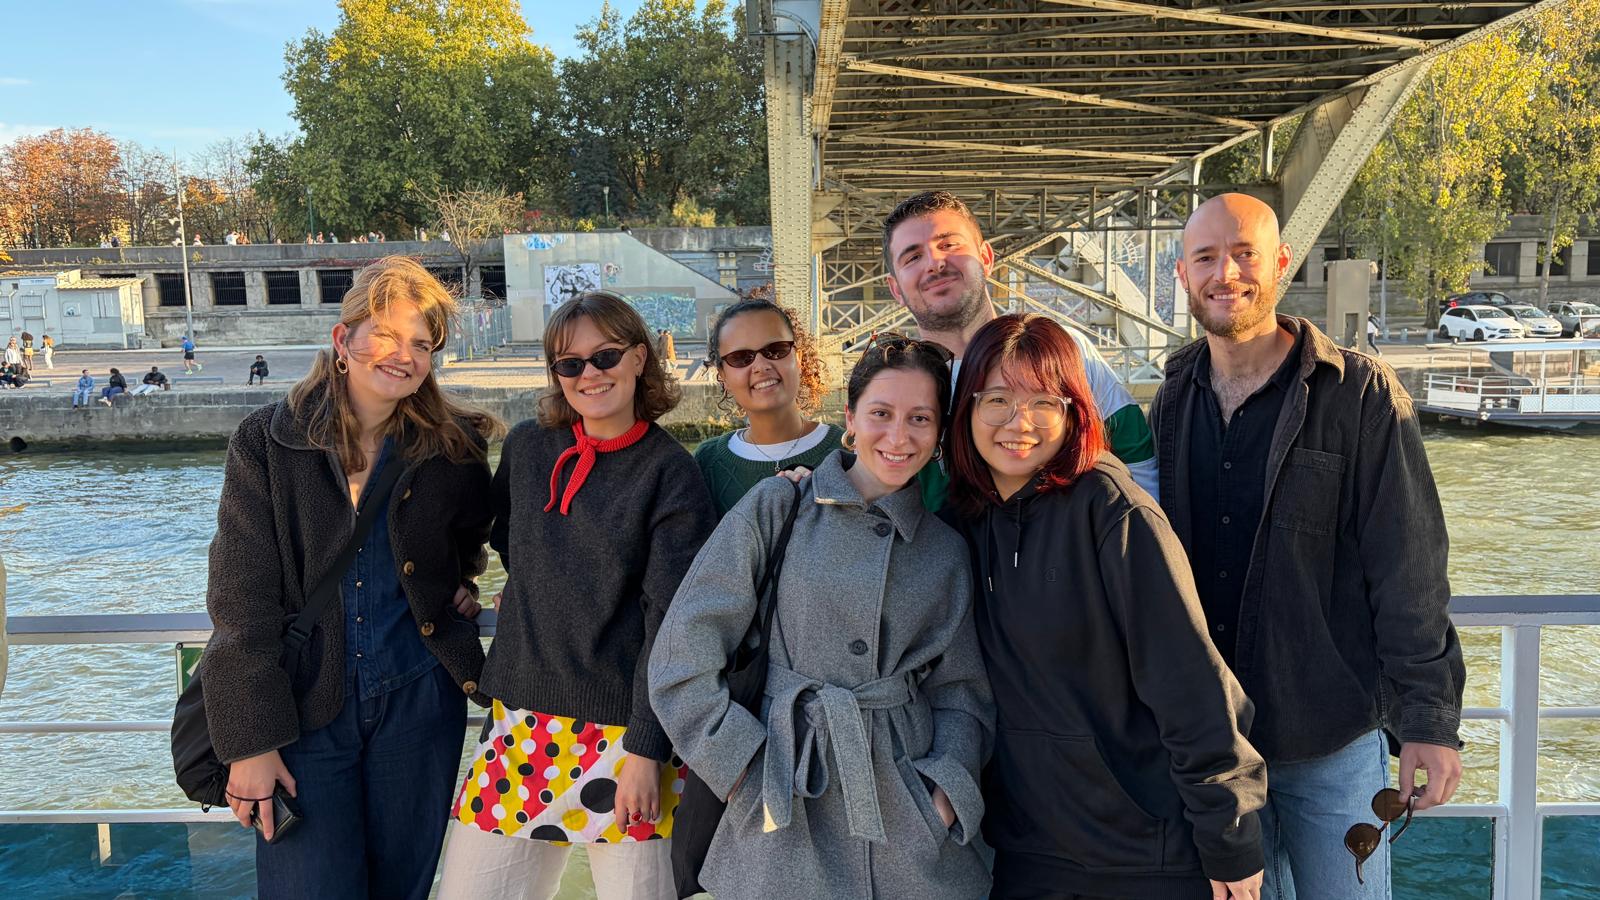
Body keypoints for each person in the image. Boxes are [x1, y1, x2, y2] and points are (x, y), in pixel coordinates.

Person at [1152, 193, 1463, 900]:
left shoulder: (1360, 396)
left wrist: (1429, 722)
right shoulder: (1172, 401)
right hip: (1213, 748)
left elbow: (1409, 569)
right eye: (1205, 257)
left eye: (1244, 254)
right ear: (1182, 274)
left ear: (1281, 265)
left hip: (1330, 737)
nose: (1224, 273)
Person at [199, 256, 502, 899]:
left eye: (421, 343)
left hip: (419, 701)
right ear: (345, 340)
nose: (405, 355)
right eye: (388, 335)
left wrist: (457, 581)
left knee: (403, 886)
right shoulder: (268, 444)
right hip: (302, 709)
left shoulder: (451, 446)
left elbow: (472, 531)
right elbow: (241, 598)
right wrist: (251, 744)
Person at [651, 335, 994, 899]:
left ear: (938, 435)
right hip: (783, 794)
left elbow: (961, 692)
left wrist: (944, 798)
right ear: (850, 418)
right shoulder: (778, 506)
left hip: (907, 817)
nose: (899, 436)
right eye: (881, 414)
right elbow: (683, 653)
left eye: (920, 418)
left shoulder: (944, 550)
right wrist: (741, 768)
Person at [943, 313, 1266, 900]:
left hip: (1145, 851)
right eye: (996, 399)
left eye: (1044, 400)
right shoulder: (962, 522)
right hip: (1027, 851)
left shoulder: (1116, 515)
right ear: (965, 409)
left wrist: (1231, 836)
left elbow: (1191, 683)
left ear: (1074, 412)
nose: (1019, 422)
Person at [435, 290, 717, 900]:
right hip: (518, 725)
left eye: (605, 356)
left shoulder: (671, 473)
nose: (589, 375)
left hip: (625, 739)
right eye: (570, 364)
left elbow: (670, 622)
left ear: (640, 358)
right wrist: (528, 585)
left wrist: (647, 749)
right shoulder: (529, 448)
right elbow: (509, 536)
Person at [881, 190, 1160, 502]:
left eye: (949, 244)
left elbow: (1136, 456)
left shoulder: (1065, 350)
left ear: (986, 258)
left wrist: (1139, 541)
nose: (935, 263)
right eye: (913, 257)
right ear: (895, 288)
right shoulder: (894, 386)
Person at [694, 298, 843, 517]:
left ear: (798, 358)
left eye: (775, 350)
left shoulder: (849, 451)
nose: (761, 366)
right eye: (741, 358)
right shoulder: (706, 463)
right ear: (722, 375)